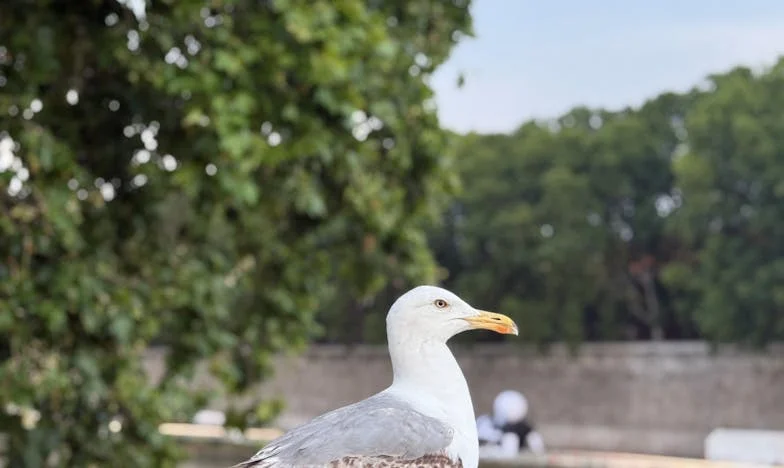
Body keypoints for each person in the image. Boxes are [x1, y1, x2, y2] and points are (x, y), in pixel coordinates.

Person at [476, 390, 546, 457]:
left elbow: (537, 447)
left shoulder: (524, 430)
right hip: (492, 452)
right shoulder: (485, 423)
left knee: (513, 438)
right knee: (510, 439)